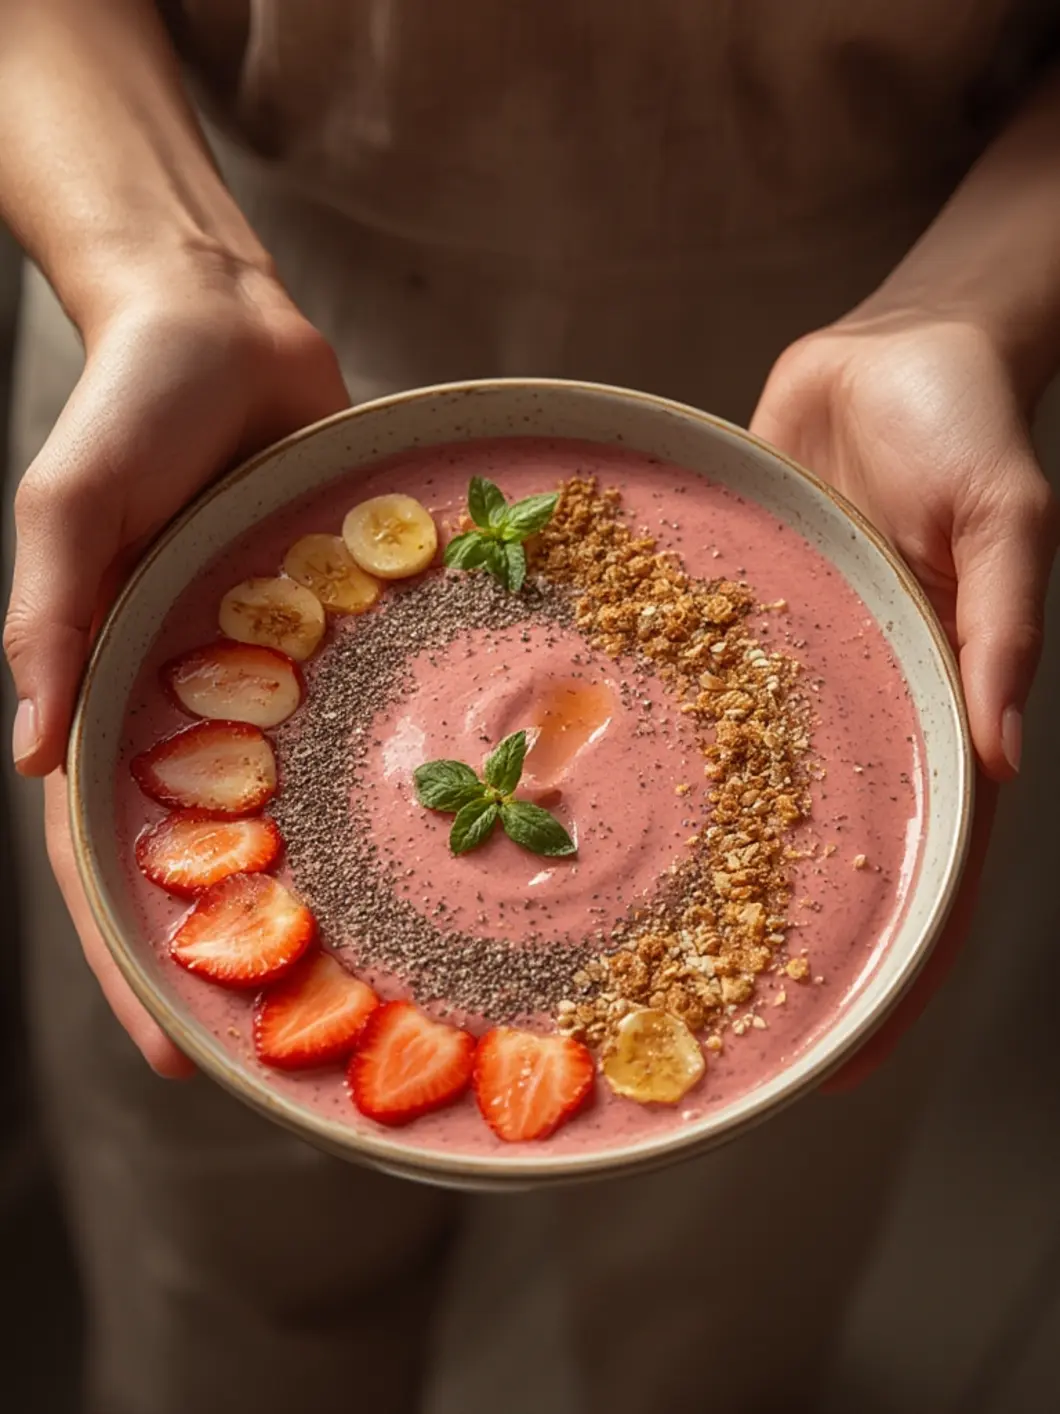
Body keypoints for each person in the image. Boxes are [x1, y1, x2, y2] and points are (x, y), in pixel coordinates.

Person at [1, 3, 1058, 1411]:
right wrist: (149, 263)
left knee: (710, 1308)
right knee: (214, 1266)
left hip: (862, 416)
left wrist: (967, 310)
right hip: (199, 354)